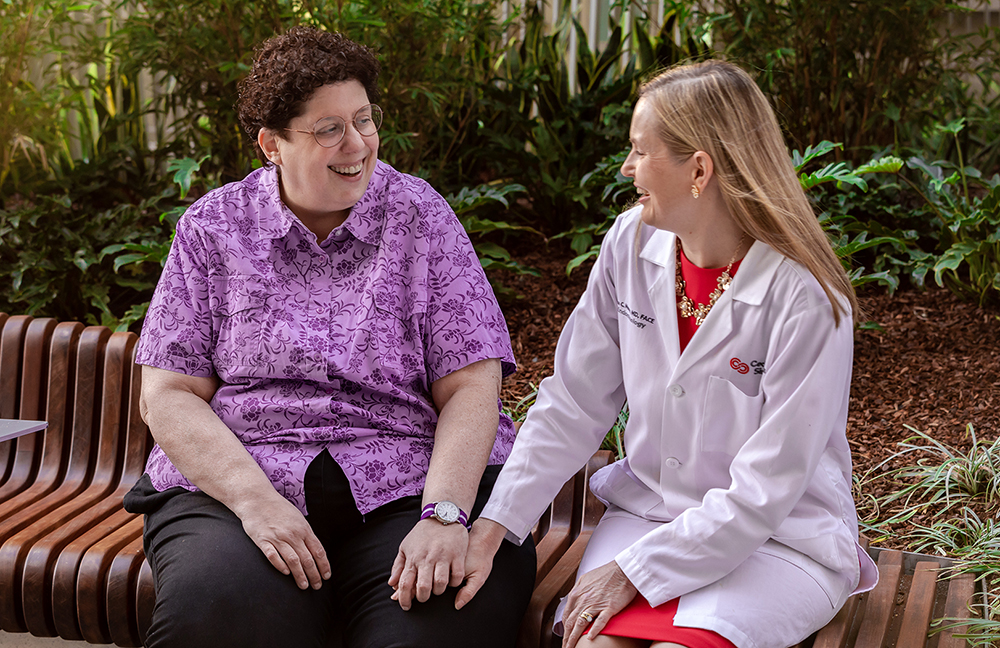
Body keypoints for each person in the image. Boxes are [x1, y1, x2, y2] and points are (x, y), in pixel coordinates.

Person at [123, 25, 535, 648]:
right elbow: (169, 393)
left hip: (412, 486)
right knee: (216, 620)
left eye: (364, 120)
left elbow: (473, 384)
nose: (358, 144)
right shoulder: (213, 229)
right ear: (272, 144)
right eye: (328, 129)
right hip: (241, 488)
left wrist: (445, 513)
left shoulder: (420, 216)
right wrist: (253, 503)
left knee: (434, 633)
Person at [455, 60, 879, 648]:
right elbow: (574, 401)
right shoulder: (630, 244)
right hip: (648, 515)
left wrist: (634, 572)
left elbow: (768, 485)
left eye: (639, 151)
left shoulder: (805, 297)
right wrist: (496, 524)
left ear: (698, 169)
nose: (627, 170)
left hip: (776, 541)